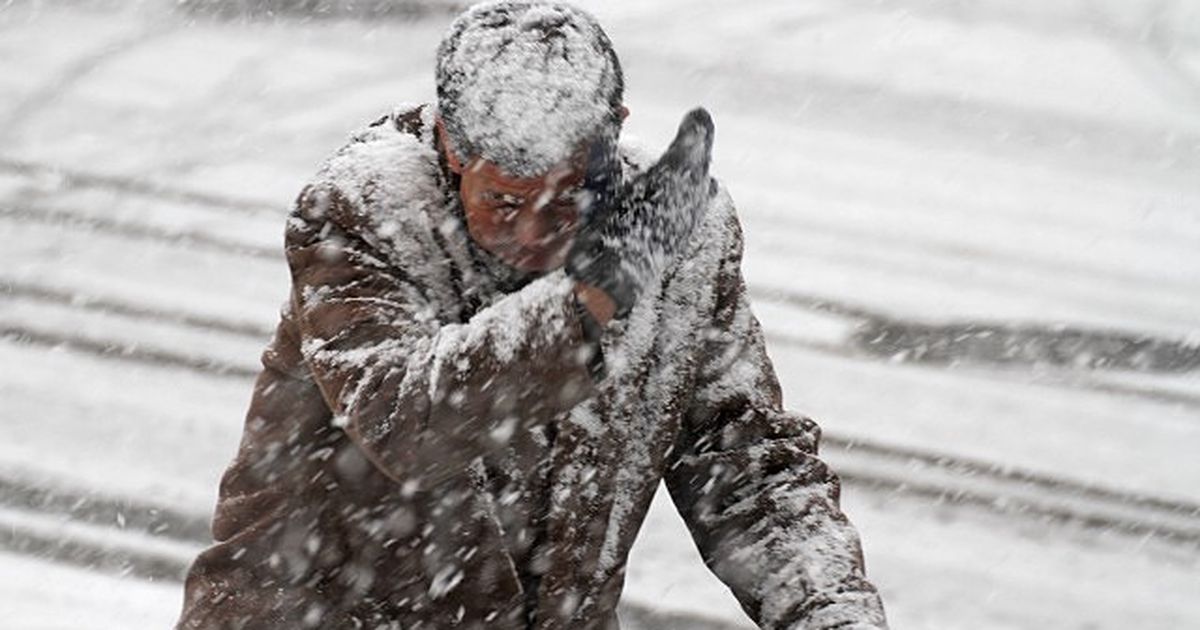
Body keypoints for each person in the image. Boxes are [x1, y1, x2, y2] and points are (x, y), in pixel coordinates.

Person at [175, 2, 888, 629]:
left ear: (618, 129)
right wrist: (594, 294)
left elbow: (745, 467)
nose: (538, 235)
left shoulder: (678, 231)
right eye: (507, 202)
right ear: (452, 144)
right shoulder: (361, 212)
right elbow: (411, 423)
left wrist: (832, 613)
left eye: (572, 193)